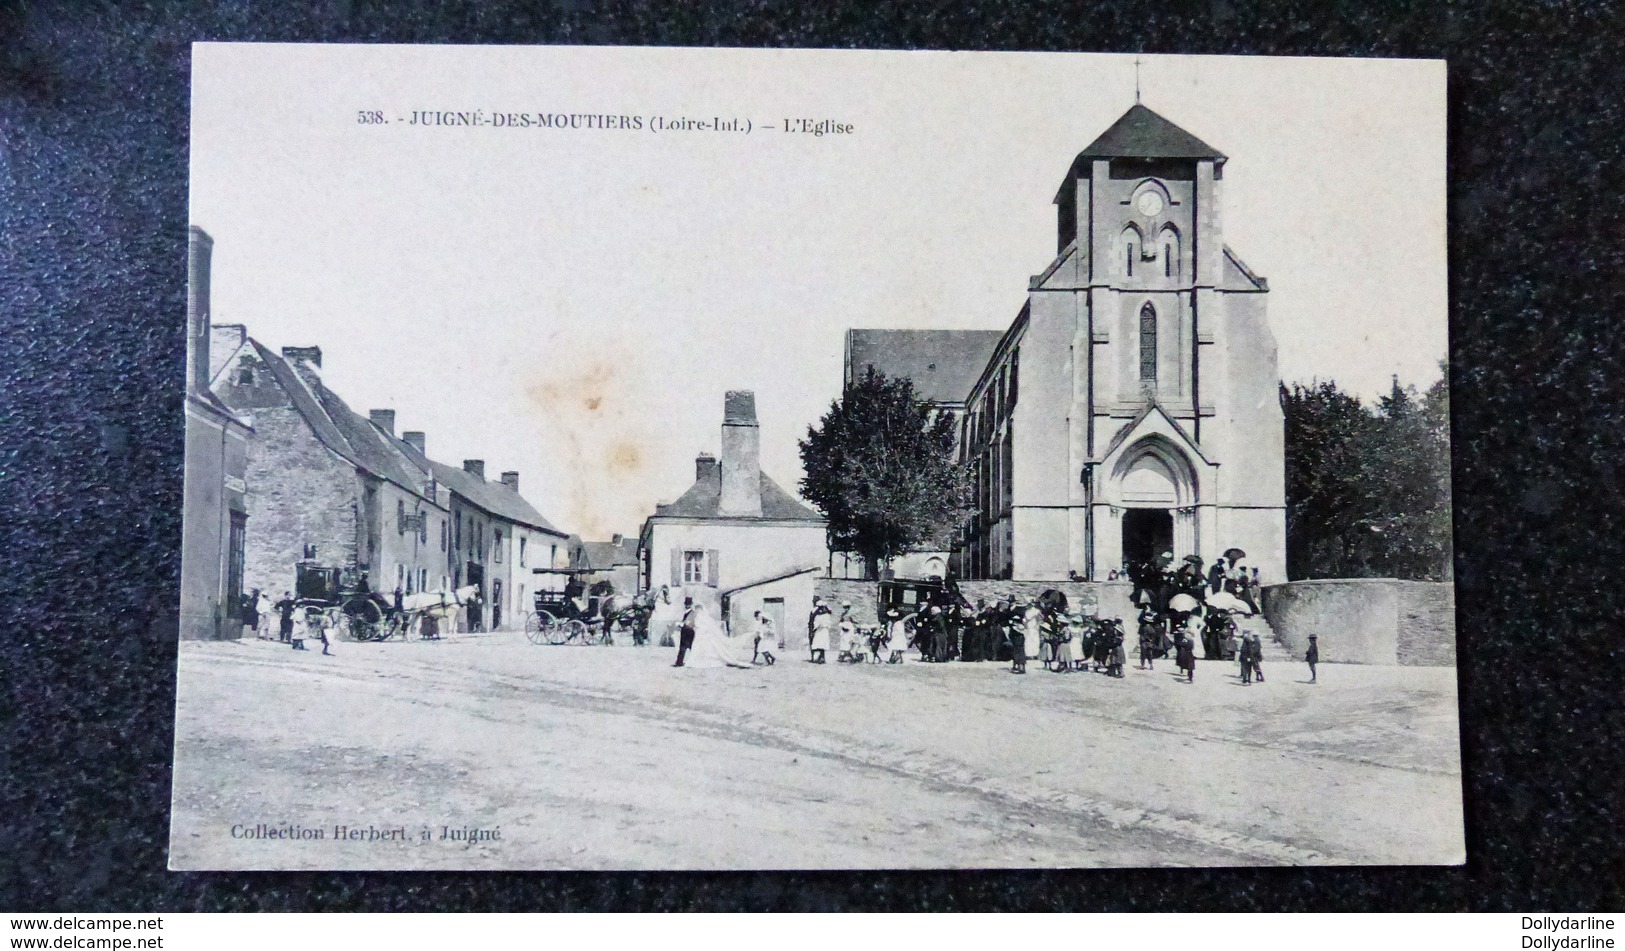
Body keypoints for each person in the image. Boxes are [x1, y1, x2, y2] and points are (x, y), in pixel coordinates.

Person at [673, 597, 697, 667]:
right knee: (685, 647)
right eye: (686, 604)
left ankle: (680, 662)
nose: (687, 605)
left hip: (688, 631)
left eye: (688, 604)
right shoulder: (687, 612)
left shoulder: (692, 613)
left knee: (686, 647)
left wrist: (681, 624)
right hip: (685, 631)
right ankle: (679, 662)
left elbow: (690, 623)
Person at [808, 597, 832, 664]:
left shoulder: (818, 615)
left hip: (819, 630)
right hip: (823, 630)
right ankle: (820, 657)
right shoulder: (826, 615)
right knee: (821, 644)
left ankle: (819, 657)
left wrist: (813, 629)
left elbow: (815, 623)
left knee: (819, 643)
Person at [1137, 605, 1160, 670]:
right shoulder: (1152, 628)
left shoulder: (1142, 627)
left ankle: (1143, 665)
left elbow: (1139, 633)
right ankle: (1151, 665)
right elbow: (1154, 635)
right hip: (1149, 642)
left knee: (1143, 654)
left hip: (1143, 642)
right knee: (1150, 654)